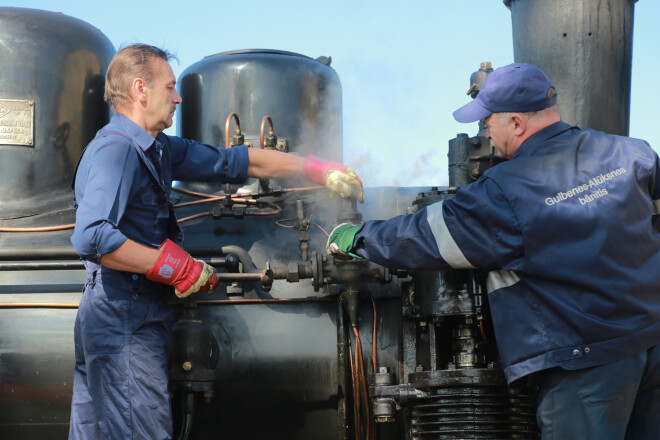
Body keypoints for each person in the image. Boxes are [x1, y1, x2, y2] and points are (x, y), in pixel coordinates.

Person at [327, 63, 660, 439]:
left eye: (487, 121)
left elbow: (426, 236)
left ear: (516, 123)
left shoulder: (508, 189)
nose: (484, 131)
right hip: (651, 344)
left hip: (585, 366)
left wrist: (358, 237)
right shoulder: (632, 153)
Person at [69, 43, 363, 440]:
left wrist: (315, 167)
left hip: (122, 316)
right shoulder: (116, 151)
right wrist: (175, 266)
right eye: (170, 87)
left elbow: (238, 162)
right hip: (123, 320)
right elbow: (91, 236)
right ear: (140, 89)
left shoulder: (158, 151)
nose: (178, 97)